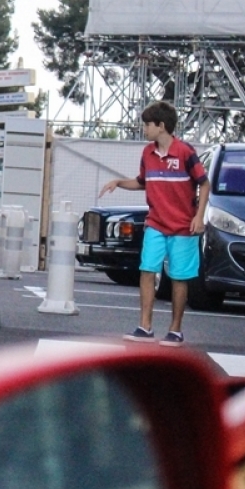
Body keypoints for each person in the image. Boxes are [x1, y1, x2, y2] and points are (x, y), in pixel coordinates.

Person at [98, 101, 209, 346]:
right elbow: (142, 182)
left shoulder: (185, 152)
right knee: (147, 270)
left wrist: (198, 216)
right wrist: (118, 182)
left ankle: (175, 330)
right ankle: (145, 326)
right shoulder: (147, 153)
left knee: (180, 276)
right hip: (156, 223)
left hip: (182, 226)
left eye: (148, 124)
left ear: (161, 126)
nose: (144, 129)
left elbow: (204, 183)